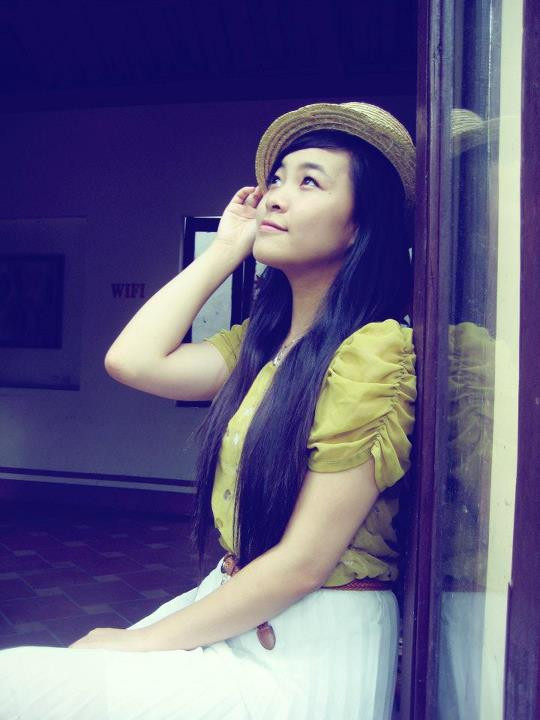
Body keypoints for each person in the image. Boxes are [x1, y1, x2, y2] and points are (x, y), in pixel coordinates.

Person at [0, 102, 417, 720]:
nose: (275, 196)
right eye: (276, 178)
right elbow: (131, 360)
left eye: (309, 182)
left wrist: (140, 642)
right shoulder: (261, 343)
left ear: (359, 226)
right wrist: (224, 251)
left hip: (311, 643)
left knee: (19, 685)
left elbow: (305, 563)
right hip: (239, 606)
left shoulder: (374, 352)